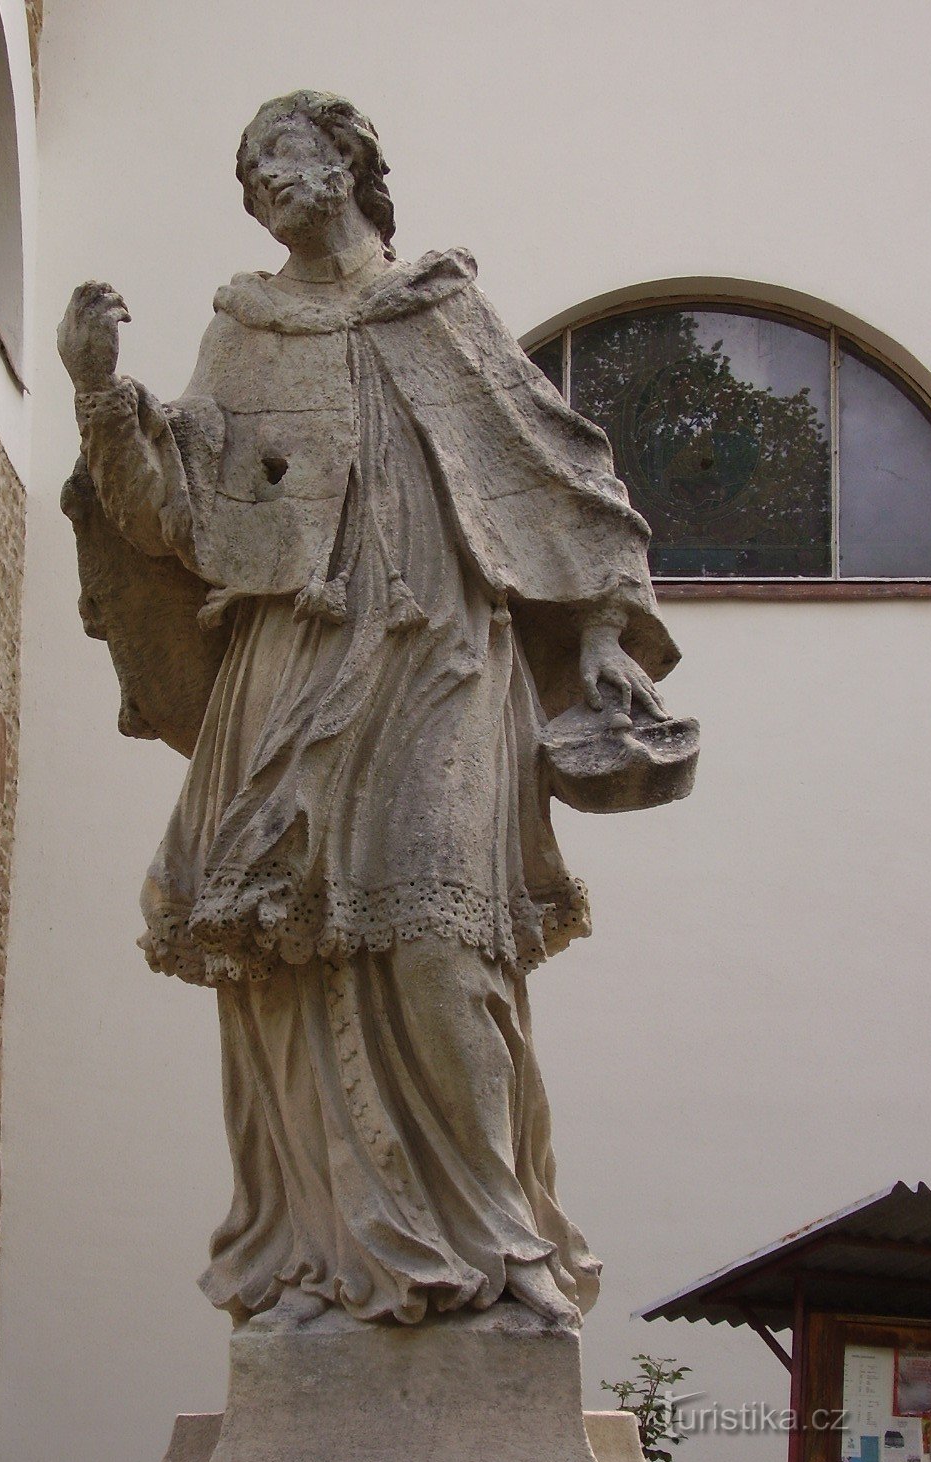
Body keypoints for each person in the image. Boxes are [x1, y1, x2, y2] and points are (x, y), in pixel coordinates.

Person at [57, 91, 681, 1332]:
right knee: (285, 955)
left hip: (446, 652)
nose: (262, 184)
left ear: (347, 159)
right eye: (246, 175)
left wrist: (606, 632)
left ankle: (498, 1245)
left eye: (277, 154)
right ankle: (325, 1257)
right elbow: (176, 518)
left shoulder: (439, 308)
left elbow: (555, 469)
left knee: (446, 946)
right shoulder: (244, 328)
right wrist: (98, 393)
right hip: (292, 660)